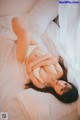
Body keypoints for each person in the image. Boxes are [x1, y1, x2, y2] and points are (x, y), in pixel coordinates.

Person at [12, 17, 79, 104]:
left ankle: (20, 39)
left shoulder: (42, 85)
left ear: (58, 94)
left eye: (62, 89)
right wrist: (35, 65)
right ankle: (19, 39)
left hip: (25, 56)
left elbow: (28, 69)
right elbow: (48, 56)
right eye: (66, 84)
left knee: (24, 33)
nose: (61, 84)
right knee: (16, 22)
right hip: (35, 45)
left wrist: (45, 61)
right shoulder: (59, 73)